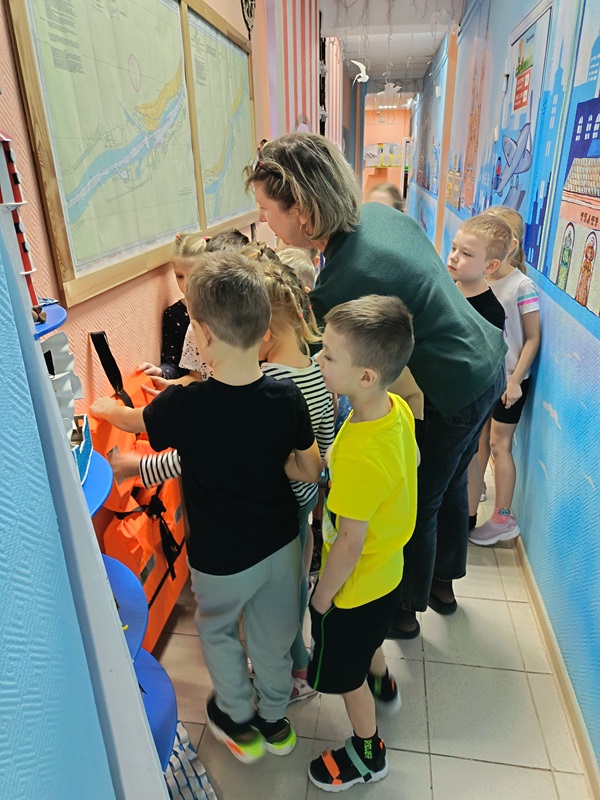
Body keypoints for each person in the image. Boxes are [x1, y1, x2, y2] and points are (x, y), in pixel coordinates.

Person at [244, 132, 506, 638]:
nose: (264, 221)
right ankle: (443, 586)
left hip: (455, 383)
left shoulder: (345, 278)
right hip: (486, 351)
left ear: (302, 211)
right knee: (452, 484)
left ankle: (404, 612)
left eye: (266, 210)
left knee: (421, 500)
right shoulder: (376, 216)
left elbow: (319, 353)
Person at [90, 253, 322, 764]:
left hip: (221, 559)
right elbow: (310, 468)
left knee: (219, 633)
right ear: (264, 330)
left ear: (205, 336)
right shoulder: (287, 397)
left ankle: (238, 720)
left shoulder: (186, 406)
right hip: (281, 547)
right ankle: (276, 721)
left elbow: (136, 422)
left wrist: (106, 409)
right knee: (273, 635)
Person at [306, 295, 417, 791]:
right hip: (388, 569)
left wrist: (321, 598)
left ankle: (368, 752)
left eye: (329, 355)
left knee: (346, 675)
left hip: (353, 588)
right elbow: (410, 464)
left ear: (366, 375)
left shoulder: (358, 455)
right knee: (371, 638)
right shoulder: (395, 409)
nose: (318, 359)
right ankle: (383, 679)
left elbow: (349, 542)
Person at [469, 206, 541, 545]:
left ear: (509, 245)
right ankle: (472, 500)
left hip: (510, 381)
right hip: (485, 377)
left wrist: (514, 381)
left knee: (500, 444)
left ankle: (503, 518)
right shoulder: (481, 279)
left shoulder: (522, 286)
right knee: (479, 440)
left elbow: (532, 339)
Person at [446, 214, 510, 530]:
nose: (454, 257)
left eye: (466, 253)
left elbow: (478, 367)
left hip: (462, 408)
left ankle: (465, 522)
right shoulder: (445, 291)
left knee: (462, 467)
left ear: (490, 265)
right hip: (436, 402)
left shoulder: (491, 313)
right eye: (454, 248)